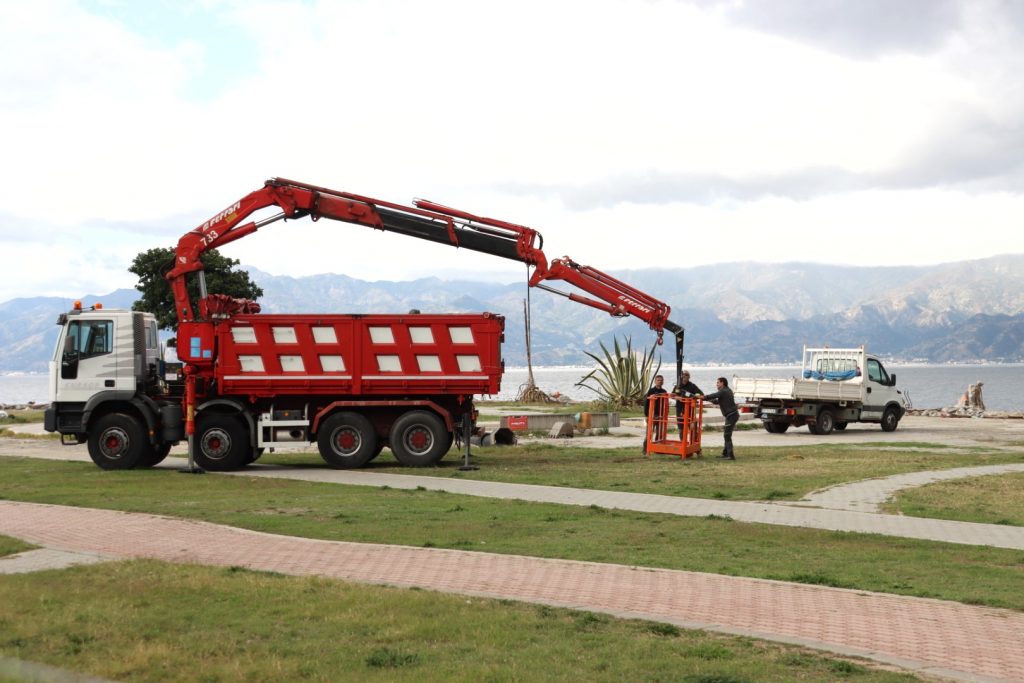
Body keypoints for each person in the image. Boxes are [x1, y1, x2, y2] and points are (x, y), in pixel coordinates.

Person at [702, 376, 739, 460]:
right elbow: (717, 401)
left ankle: (730, 456)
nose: (717, 384)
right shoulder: (727, 391)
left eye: (718, 382)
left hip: (732, 416)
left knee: (727, 435)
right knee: (727, 435)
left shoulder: (724, 391)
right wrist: (708, 399)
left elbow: (714, 395)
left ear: (722, 383)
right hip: (731, 415)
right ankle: (726, 454)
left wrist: (703, 397)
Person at [672, 371, 703, 435]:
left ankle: (693, 440)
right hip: (680, 410)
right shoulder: (678, 385)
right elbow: (672, 395)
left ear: (689, 377)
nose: (684, 376)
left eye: (686, 375)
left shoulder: (692, 386)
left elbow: (701, 394)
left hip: (690, 410)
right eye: (683, 374)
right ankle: (682, 441)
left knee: (693, 429)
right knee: (681, 430)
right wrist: (677, 397)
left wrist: (693, 397)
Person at [642, 374, 668, 451]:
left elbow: (666, 403)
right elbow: (646, 404)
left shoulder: (664, 391)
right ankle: (645, 449)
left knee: (659, 434)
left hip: (661, 415)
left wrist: (665, 414)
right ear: (655, 381)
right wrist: (646, 415)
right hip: (652, 415)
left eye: (661, 380)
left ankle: (657, 449)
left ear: (663, 382)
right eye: (658, 380)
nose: (660, 381)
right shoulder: (651, 391)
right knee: (649, 433)